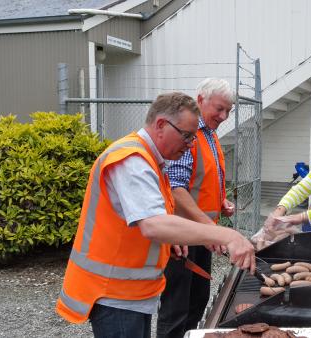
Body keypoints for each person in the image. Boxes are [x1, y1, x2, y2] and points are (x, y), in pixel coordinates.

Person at [55, 92, 255, 338]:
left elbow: (148, 221)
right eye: (187, 136)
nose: (191, 144)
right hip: (114, 296)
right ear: (161, 125)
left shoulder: (151, 161)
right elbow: (153, 225)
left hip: (132, 294)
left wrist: (169, 240)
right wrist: (228, 236)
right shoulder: (132, 160)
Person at [156, 78, 235, 338]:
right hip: (183, 236)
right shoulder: (189, 136)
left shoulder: (210, 135)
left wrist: (220, 202)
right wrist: (208, 227)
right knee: (177, 308)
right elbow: (177, 188)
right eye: (219, 108)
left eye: (228, 111)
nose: (224, 116)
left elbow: (201, 180)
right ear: (201, 101)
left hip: (201, 233)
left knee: (197, 301)